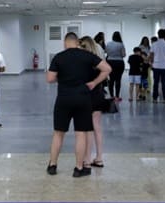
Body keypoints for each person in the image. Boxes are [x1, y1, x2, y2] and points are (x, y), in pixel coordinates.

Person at [46, 32, 110, 177]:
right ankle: (79, 168)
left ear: (65, 42)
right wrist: (94, 82)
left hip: (63, 99)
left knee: (58, 133)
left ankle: (52, 165)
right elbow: (107, 69)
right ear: (77, 42)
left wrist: (62, 78)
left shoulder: (59, 57)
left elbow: (50, 78)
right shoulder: (88, 56)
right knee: (80, 134)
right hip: (83, 99)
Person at [80, 36, 110, 169]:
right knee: (97, 127)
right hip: (98, 95)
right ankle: (99, 158)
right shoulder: (98, 61)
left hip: (87, 96)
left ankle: (86, 159)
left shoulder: (84, 62)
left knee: (88, 129)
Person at [104, 31, 126, 102]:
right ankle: (117, 96)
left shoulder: (108, 44)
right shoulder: (121, 44)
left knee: (111, 79)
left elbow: (106, 52)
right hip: (119, 63)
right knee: (118, 80)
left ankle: (112, 96)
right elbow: (123, 55)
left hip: (110, 62)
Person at [149, 34, 165, 102]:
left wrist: (151, 63)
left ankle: (155, 98)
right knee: (164, 82)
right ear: (164, 36)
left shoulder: (154, 44)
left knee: (156, 82)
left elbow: (151, 55)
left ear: (158, 35)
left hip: (156, 66)